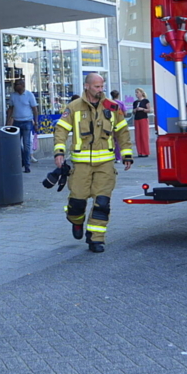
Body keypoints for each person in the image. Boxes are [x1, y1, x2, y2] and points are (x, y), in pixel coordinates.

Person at [53, 73, 133, 254]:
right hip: (81, 164)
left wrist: (127, 154)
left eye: (102, 86)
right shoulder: (74, 107)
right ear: (87, 86)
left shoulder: (112, 107)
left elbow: (122, 131)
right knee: (77, 202)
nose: (100, 90)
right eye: (97, 87)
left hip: (105, 164)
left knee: (102, 203)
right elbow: (61, 130)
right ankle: (76, 221)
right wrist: (59, 152)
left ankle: (96, 238)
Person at [5, 79, 38, 173]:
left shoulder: (29, 95)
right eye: (15, 84)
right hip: (16, 122)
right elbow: (10, 109)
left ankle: (27, 165)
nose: (15, 86)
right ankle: (23, 160)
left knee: (26, 144)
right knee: (16, 144)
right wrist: (8, 122)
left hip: (27, 122)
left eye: (17, 84)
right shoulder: (13, 95)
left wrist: (36, 123)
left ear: (22, 85)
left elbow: (35, 109)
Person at [132, 88, 151, 158]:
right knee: (138, 136)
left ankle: (145, 152)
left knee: (144, 135)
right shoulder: (135, 102)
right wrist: (134, 110)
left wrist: (142, 109)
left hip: (143, 119)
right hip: (137, 119)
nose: (136, 94)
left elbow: (149, 110)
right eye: (136, 92)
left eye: (137, 92)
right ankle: (139, 152)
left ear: (141, 93)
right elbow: (133, 112)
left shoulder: (146, 101)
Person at [110, 90, 127, 162]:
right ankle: (118, 157)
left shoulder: (109, 103)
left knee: (112, 140)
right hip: (120, 123)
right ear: (118, 95)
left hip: (111, 123)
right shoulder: (121, 103)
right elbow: (125, 114)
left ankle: (112, 156)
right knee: (119, 141)